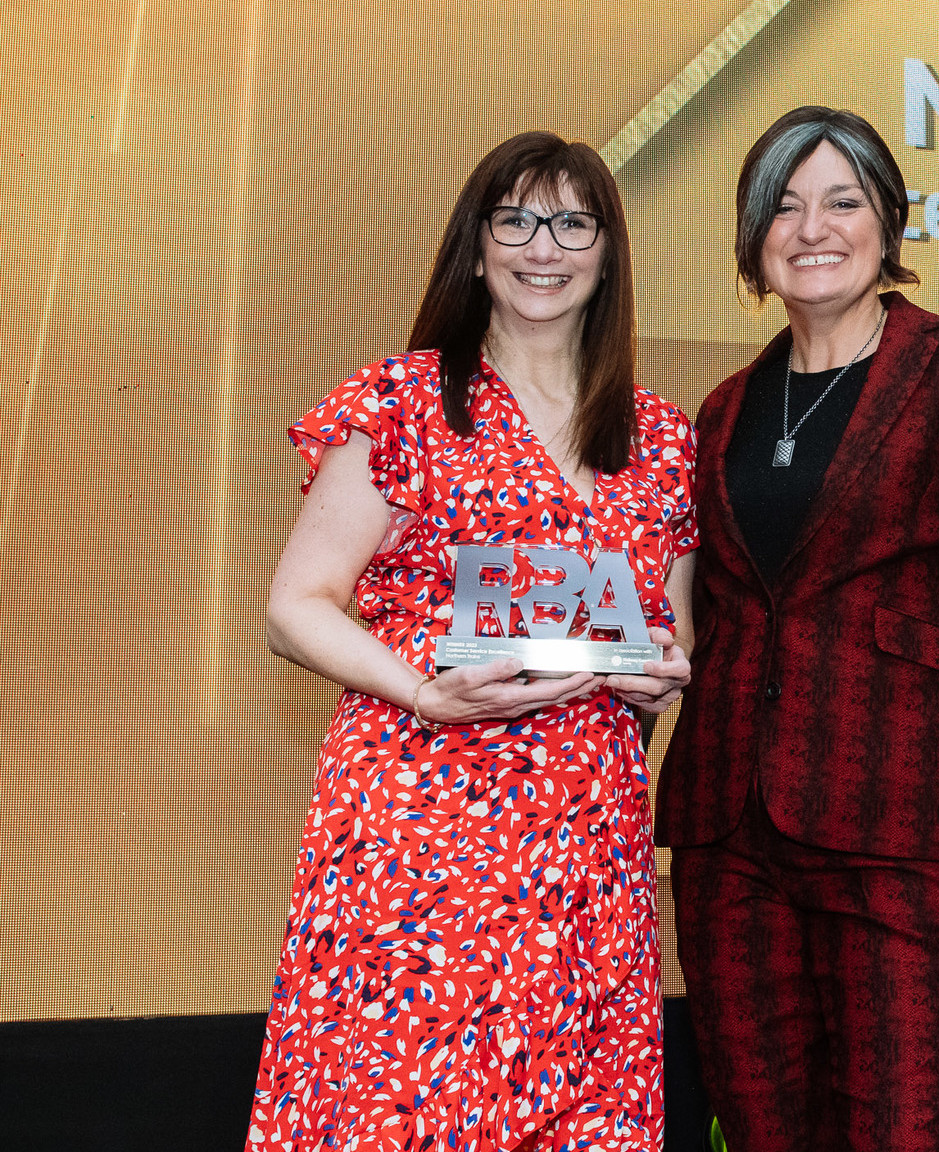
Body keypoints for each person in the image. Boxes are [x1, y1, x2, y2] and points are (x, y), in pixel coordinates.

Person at [248, 131, 697, 1151]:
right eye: (517, 220)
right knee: (402, 1104)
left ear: (607, 251)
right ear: (478, 244)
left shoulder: (662, 438)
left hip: (588, 843)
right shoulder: (405, 400)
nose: (545, 246)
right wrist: (424, 690)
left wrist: (660, 674)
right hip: (420, 829)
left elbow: (670, 633)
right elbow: (296, 605)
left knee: (576, 1107)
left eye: (572, 221)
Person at [655, 105, 939, 1152]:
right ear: (753, 240)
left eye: (842, 201)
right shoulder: (718, 411)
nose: (812, 227)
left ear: (887, 226)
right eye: (783, 207)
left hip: (899, 834)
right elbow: (692, 616)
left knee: (903, 1133)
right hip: (728, 840)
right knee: (760, 1133)